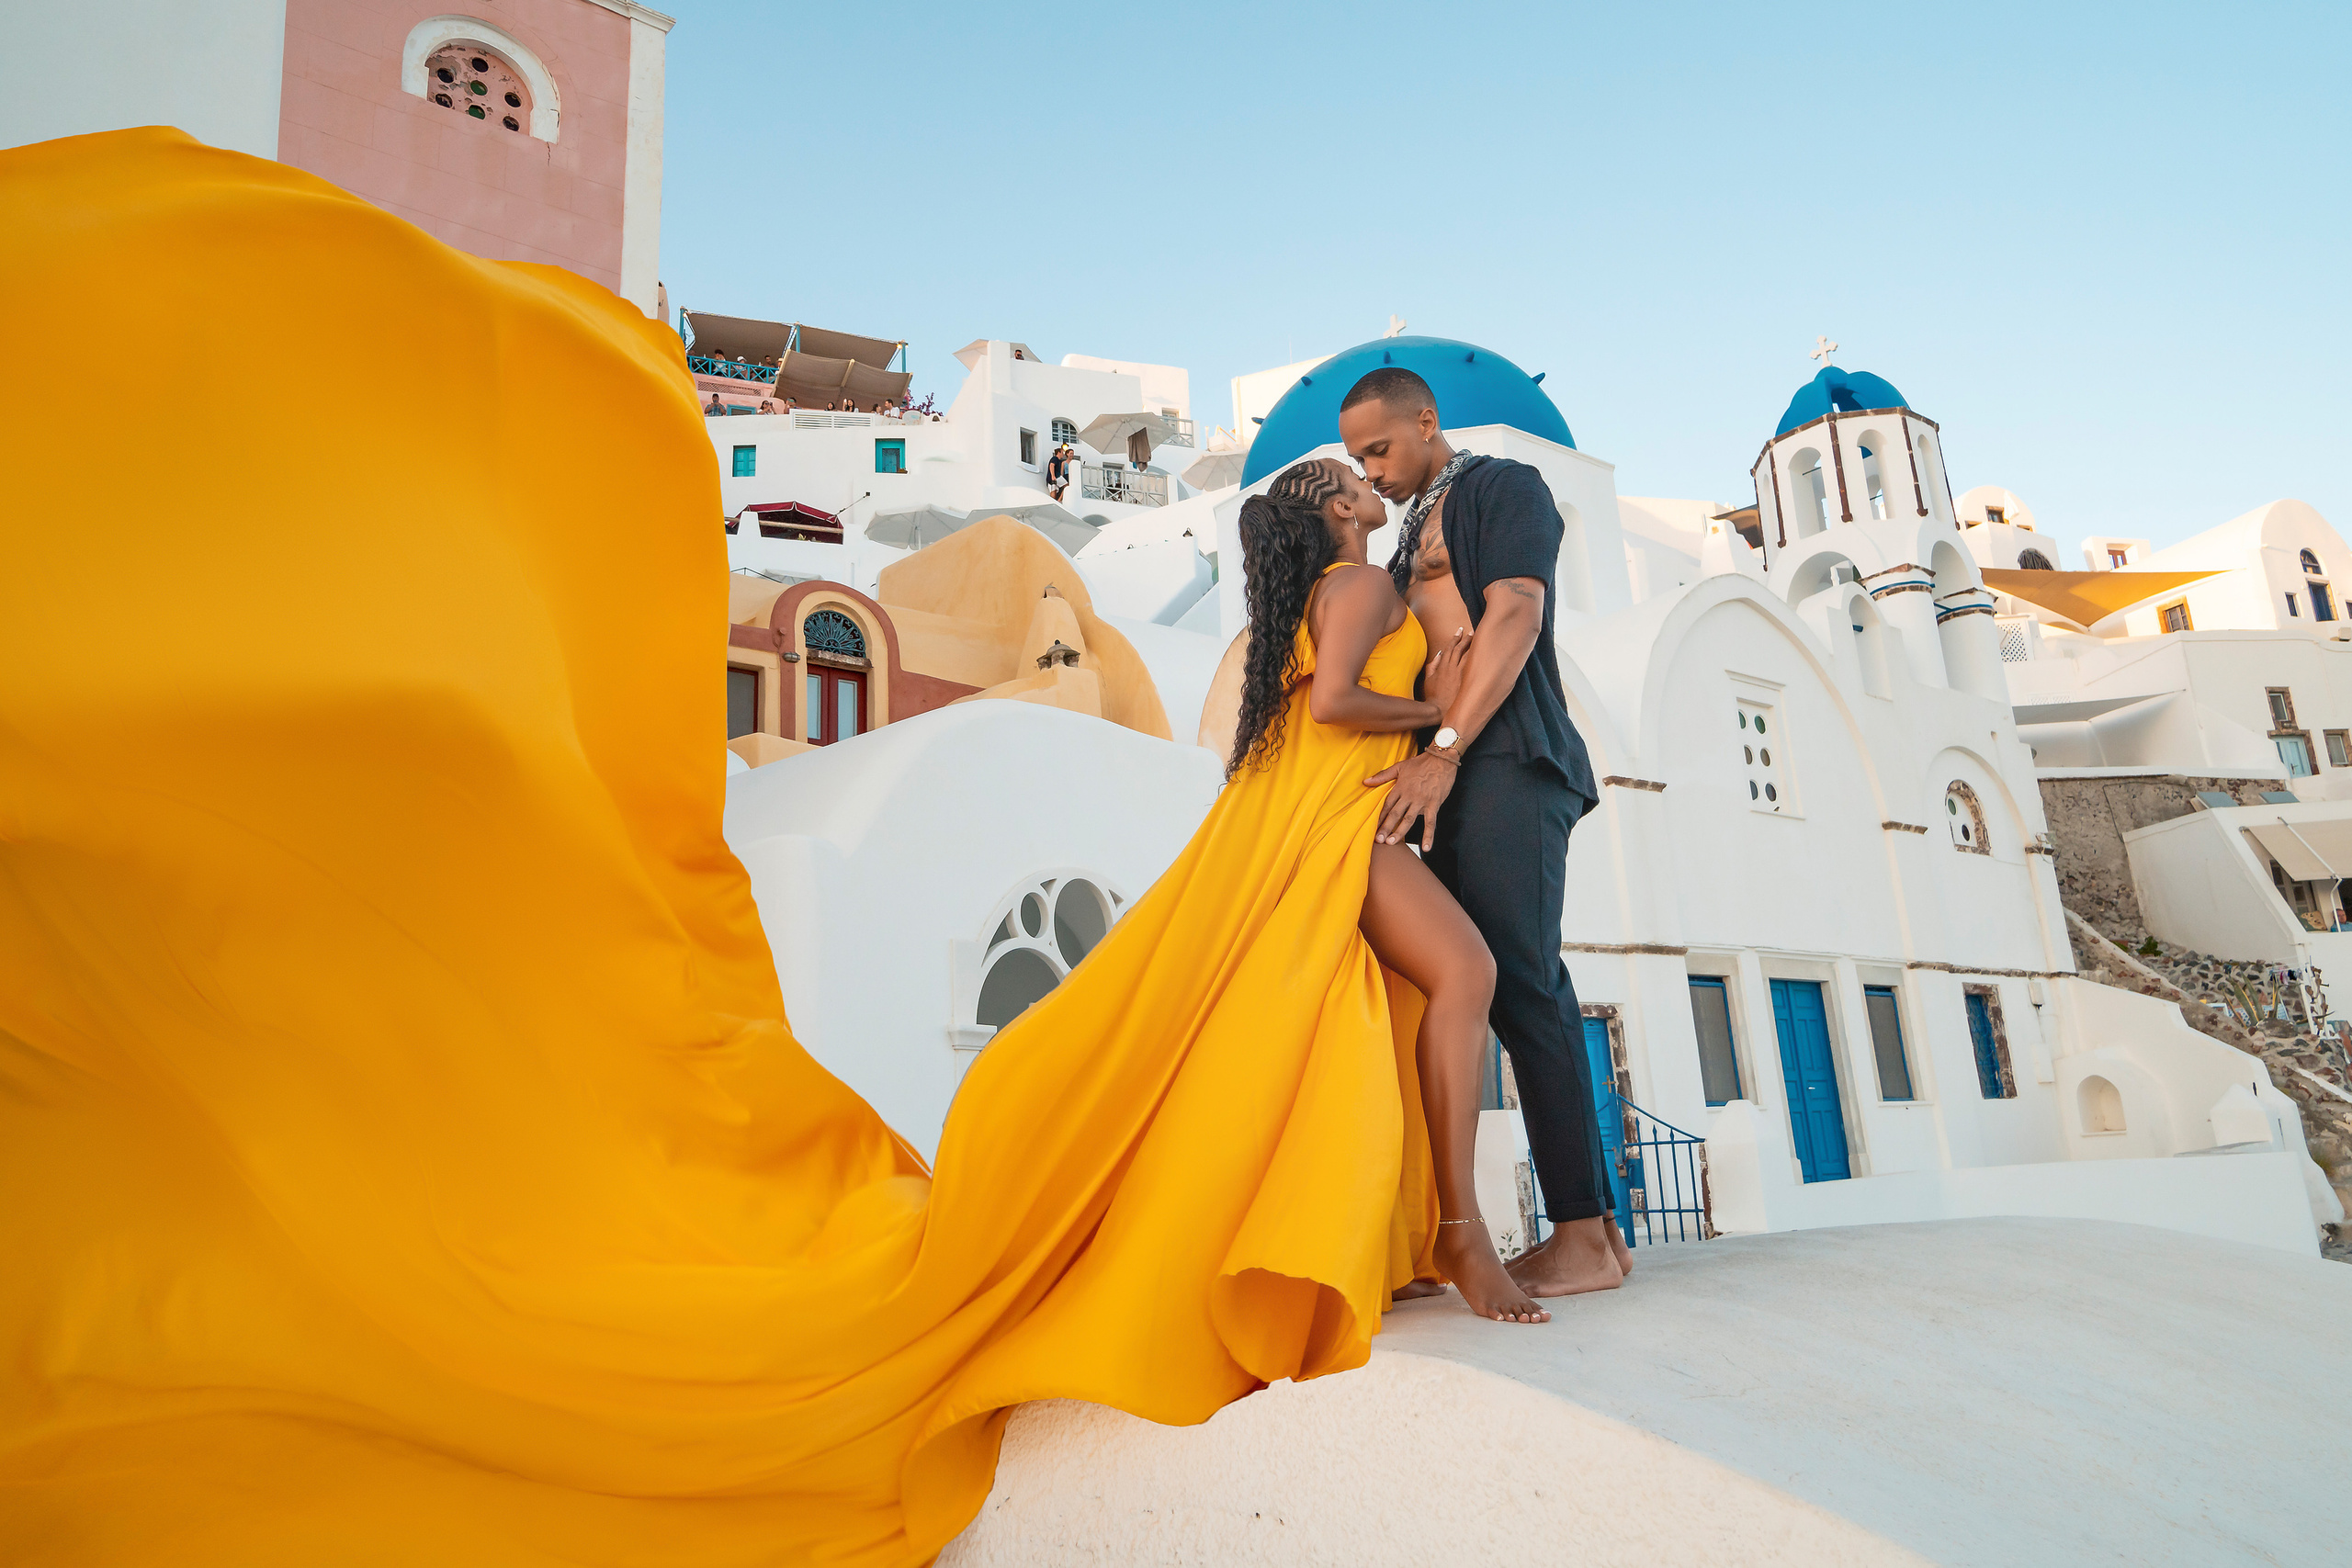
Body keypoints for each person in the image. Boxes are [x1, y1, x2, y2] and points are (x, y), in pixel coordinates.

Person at [1339, 366, 1632, 1297]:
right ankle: (1570, 1234)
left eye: (1379, 448)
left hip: (1503, 761)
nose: (1371, 470)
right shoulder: (1400, 546)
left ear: (1426, 422)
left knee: (1523, 986)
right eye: (1355, 459)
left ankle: (1583, 1237)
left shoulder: (1501, 486)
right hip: (1450, 776)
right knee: (1492, 989)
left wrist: (1450, 746)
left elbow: (1515, 611)